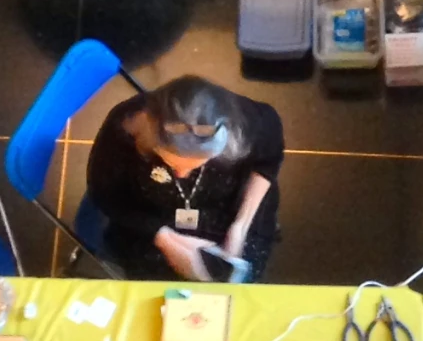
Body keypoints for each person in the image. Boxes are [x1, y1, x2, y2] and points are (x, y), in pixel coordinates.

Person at [84, 75, 283, 282]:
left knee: (236, 283)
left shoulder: (253, 120)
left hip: (228, 208)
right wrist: (163, 238)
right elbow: (104, 194)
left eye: (197, 164)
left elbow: (266, 164)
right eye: (173, 164)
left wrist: (239, 229)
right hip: (150, 215)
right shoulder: (124, 127)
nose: (182, 175)